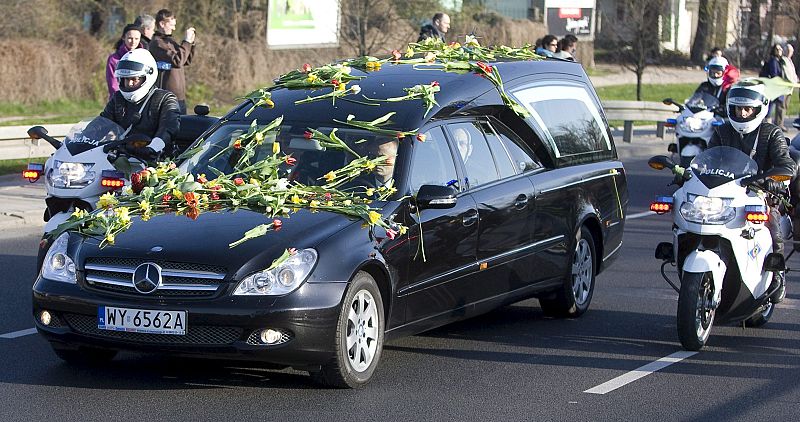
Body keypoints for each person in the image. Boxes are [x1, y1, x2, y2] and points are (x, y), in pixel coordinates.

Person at [708, 81, 795, 303]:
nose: (743, 113)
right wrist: (690, 174)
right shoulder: (722, 131)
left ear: (759, 109)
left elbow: (787, 165)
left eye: (748, 109)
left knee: (771, 223)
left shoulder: (771, 132)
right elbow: (707, 160)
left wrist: (772, 180)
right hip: (725, 192)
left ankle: (777, 272)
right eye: (738, 108)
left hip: (762, 193)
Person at [100, 48, 180, 161]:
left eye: (134, 79)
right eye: (126, 79)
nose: (129, 83)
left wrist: (153, 148)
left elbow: (169, 128)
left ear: (148, 76)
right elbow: (102, 123)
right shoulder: (118, 98)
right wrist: (81, 139)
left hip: (156, 161)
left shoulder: (166, 99)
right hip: (121, 157)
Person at [149, 8, 196, 115]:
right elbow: (178, 60)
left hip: (179, 96)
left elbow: (186, 60)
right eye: (171, 25)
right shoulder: (157, 43)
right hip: (167, 96)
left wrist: (191, 44)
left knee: (182, 127)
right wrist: (186, 42)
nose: (174, 28)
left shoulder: (169, 41)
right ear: (162, 24)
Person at [106, 24, 143, 100]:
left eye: (136, 39)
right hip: (119, 100)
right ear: (123, 37)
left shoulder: (144, 57)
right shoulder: (114, 59)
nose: (133, 42)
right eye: (130, 38)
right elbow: (113, 84)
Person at [760, 44, 788, 130]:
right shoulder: (773, 61)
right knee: (769, 106)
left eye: (780, 49)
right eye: (777, 49)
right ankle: (767, 125)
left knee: (777, 106)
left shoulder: (778, 61)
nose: (780, 50)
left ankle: (775, 125)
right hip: (773, 88)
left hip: (776, 87)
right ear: (774, 50)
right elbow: (774, 75)